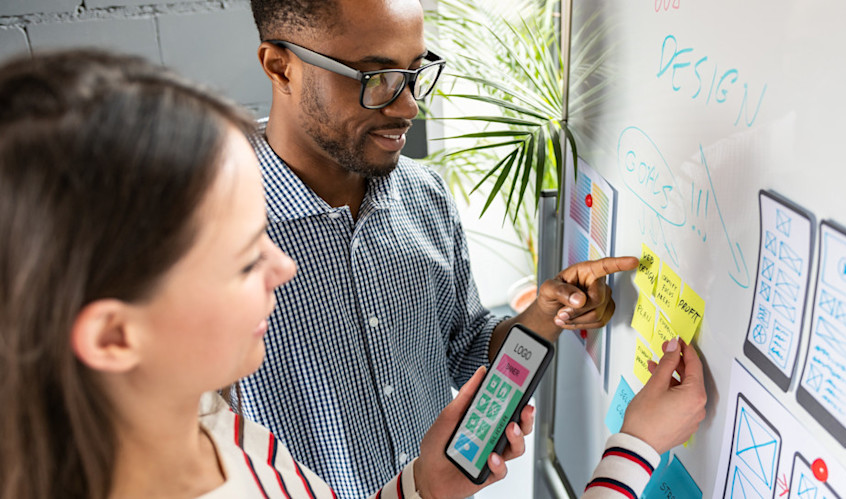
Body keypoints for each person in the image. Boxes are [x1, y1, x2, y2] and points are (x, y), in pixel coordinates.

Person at [0, 49, 707, 499]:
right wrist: (635, 448)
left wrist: (426, 483)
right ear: (116, 334)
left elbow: (463, 338)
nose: (281, 264)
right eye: (245, 257)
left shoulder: (230, 441)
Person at [242, 0, 639, 495]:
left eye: (415, 72)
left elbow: (466, 344)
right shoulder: (207, 238)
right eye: (375, 78)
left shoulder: (424, 195)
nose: (408, 106)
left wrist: (545, 312)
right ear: (281, 67)